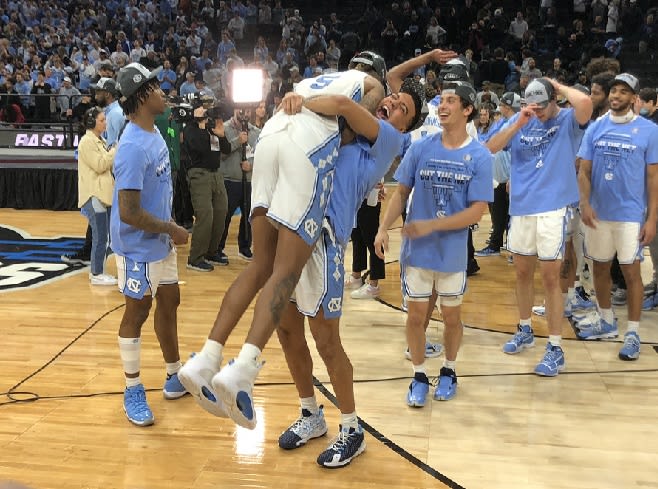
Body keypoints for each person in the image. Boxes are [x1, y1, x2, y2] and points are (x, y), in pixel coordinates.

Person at [178, 66, 386, 429]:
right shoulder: (364, 88)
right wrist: (344, 113)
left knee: (262, 265)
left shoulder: (311, 83)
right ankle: (244, 369)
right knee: (286, 277)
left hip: (272, 138)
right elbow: (352, 114)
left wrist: (302, 100)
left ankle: (208, 356)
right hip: (305, 157)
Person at [375, 82, 493, 405]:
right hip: (417, 253)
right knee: (415, 317)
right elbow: (401, 193)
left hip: (452, 254)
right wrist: (383, 227)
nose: (442, 106)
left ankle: (449, 370)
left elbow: (477, 212)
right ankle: (418, 376)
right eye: (441, 101)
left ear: (467, 109)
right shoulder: (421, 147)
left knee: (452, 317)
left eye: (451, 101)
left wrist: (432, 224)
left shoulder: (480, 156)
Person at [486, 78, 593, 377]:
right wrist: (519, 122)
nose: (540, 112)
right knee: (521, 272)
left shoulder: (568, 120)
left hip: (554, 208)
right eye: (534, 106)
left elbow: (585, 103)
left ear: (554, 100)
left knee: (549, 277)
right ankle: (524, 329)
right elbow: (488, 149)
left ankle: (556, 348)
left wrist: (556, 85)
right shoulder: (522, 120)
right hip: (522, 206)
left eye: (544, 105)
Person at [110, 62, 190, 426]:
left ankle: (174, 374)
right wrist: (171, 228)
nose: (163, 91)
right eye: (156, 87)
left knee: (170, 300)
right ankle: (132, 388)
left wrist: (167, 229)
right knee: (137, 311)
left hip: (160, 238)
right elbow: (128, 212)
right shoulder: (130, 147)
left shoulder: (155, 131)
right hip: (138, 246)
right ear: (142, 97)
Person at [576, 73, 658, 361]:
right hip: (599, 214)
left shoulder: (649, 131)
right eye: (613, 90)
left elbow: (653, 177)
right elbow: (584, 170)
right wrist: (585, 203)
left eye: (623, 92)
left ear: (634, 98)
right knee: (599, 269)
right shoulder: (595, 128)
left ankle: (633, 332)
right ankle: (606, 319)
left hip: (630, 215)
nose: (616, 96)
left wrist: (651, 219)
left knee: (631, 273)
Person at [183, 105, 231, 271]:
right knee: (205, 215)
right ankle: (195, 258)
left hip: (216, 173)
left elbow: (227, 149)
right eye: (204, 110)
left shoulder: (212, 128)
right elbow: (199, 147)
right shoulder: (190, 128)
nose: (207, 113)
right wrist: (200, 125)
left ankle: (212, 251)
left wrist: (222, 136)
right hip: (198, 174)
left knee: (221, 211)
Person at [475, 92, 519, 257]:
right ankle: (497, 243)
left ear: (506, 107)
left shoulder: (511, 125)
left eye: (501, 106)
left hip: (508, 177)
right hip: (497, 176)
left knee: (508, 213)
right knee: (498, 212)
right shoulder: (501, 124)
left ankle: (510, 245)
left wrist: (511, 177)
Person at [77, 106, 117, 285]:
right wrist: (114, 151)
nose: (105, 122)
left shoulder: (99, 140)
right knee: (101, 236)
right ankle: (96, 273)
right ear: (92, 122)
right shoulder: (87, 142)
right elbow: (100, 165)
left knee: (104, 236)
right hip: (94, 196)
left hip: (103, 195)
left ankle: (98, 271)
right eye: (102, 120)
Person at [217, 106, 261, 263]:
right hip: (229, 180)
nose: (245, 114)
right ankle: (218, 248)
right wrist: (238, 141)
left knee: (248, 216)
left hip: (248, 181)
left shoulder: (256, 132)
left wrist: (251, 165)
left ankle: (245, 247)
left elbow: (261, 154)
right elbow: (220, 154)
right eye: (241, 110)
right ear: (234, 109)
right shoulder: (225, 128)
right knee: (225, 216)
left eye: (248, 111)